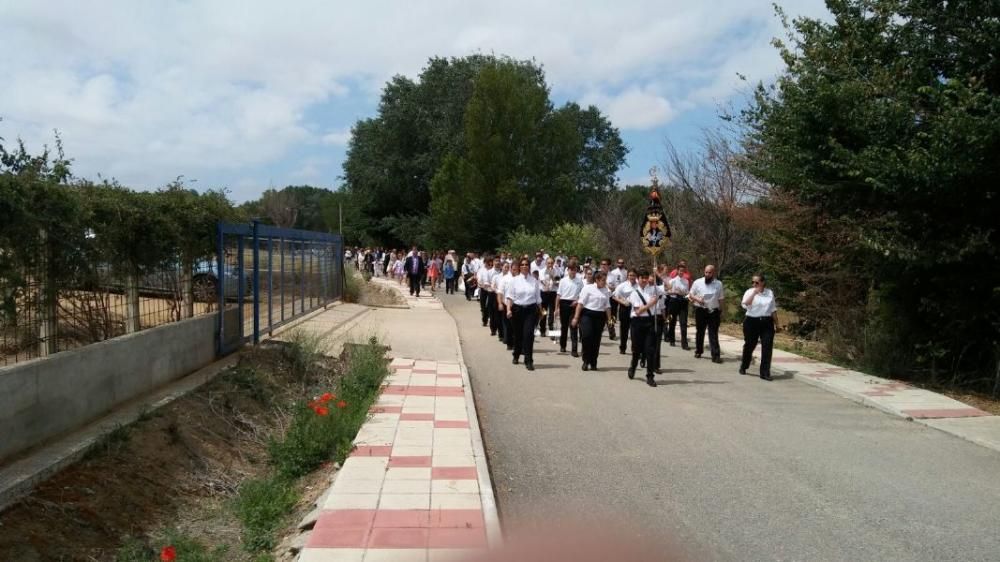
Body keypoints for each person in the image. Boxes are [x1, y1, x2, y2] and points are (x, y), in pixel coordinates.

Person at [740, 274, 780, 381]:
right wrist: (754, 293)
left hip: (766, 322)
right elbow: (745, 304)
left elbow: (773, 309)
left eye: (756, 282)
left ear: (762, 282)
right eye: (752, 282)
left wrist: (777, 324)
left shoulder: (769, 293)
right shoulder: (749, 292)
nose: (754, 284)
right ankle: (744, 365)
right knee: (750, 345)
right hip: (752, 321)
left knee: (767, 346)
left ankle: (765, 372)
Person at [506, 258, 542, 371]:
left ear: (529, 267)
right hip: (517, 310)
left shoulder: (534, 281)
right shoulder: (514, 281)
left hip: (530, 310)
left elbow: (538, 298)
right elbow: (510, 297)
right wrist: (508, 310)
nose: (525, 266)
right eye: (522, 264)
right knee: (518, 335)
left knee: (528, 335)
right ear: (519, 267)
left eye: (527, 264)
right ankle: (516, 354)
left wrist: (541, 312)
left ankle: (529, 360)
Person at [572, 271, 611, 371]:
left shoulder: (606, 291)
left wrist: (610, 320)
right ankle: (586, 360)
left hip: (599, 316)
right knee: (587, 336)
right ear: (597, 280)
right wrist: (576, 318)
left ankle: (593, 361)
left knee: (596, 340)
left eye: (605, 280)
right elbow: (580, 304)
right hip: (587, 315)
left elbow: (607, 306)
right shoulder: (588, 288)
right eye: (603, 280)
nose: (604, 282)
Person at [626, 269, 660, 387]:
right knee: (636, 349)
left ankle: (650, 376)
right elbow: (638, 311)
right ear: (638, 279)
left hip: (650, 322)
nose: (644, 280)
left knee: (650, 350)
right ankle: (633, 366)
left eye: (646, 278)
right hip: (637, 323)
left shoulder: (653, 290)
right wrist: (651, 303)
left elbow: (668, 287)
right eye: (642, 278)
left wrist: (658, 273)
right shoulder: (634, 293)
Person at [689, 264, 724, 363]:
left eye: (710, 272)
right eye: (706, 272)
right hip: (701, 310)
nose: (707, 274)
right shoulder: (698, 282)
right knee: (700, 332)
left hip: (713, 311)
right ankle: (699, 351)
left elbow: (721, 298)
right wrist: (697, 299)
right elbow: (690, 294)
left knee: (713, 333)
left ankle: (716, 355)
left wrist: (721, 310)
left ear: (714, 273)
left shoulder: (719, 284)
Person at [556, 260, 583, 356]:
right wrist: (556, 308)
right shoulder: (563, 281)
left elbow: (582, 294)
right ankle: (563, 345)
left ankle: (574, 349)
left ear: (576, 270)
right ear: (568, 270)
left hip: (574, 304)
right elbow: (559, 295)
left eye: (574, 269)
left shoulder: (579, 281)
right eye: (571, 269)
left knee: (574, 326)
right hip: (564, 303)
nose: (572, 271)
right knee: (564, 327)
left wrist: (577, 301)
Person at [611, 269, 637, 355]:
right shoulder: (623, 285)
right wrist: (622, 302)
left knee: (634, 330)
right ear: (627, 276)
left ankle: (634, 349)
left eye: (633, 275)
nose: (631, 277)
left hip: (636, 309)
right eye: (630, 275)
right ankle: (622, 347)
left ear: (636, 276)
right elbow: (614, 296)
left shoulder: (639, 285)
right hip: (625, 308)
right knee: (624, 330)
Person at [666, 262, 691, 349]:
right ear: (677, 270)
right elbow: (667, 292)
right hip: (673, 301)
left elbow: (687, 292)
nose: (681, 272)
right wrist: (674, 292)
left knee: (683, 323)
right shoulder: (672, 281)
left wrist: (688, 296)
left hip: (683, 301)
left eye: (683, 271)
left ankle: (684, 344)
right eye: (680, 271)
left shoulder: (686, 281)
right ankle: (672, 339)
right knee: (672, 321)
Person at [540, 258, 558, 336]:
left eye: (551, 263)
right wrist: (546, 286)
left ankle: (551, 328)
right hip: (544, 293)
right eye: (548, 263)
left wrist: (552, 276)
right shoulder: (542, 271)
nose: (550, 264)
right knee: (544, 312)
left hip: (552, 293)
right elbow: (542, 281)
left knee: (551, 312)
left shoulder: (556, 271)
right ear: (546, 263)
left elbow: (557, 282)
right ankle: (542, 329)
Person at [477, 257, 496, 328]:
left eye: (491, 265)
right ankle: (484, 319)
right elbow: (479, 280)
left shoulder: (493, 271)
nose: (490, 266)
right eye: (489, 264)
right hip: (484, 289)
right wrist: (482, 284)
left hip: (491, 290)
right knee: (483, 306)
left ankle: (489, 319)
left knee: (489, 306)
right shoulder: (481, 270)